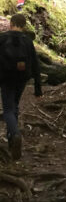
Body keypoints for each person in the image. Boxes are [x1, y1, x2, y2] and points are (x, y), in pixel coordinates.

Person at [0, 14, 42, 160]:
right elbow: (36, 64)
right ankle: (12, 140)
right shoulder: (28, 41)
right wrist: (38, 88)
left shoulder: (3, 38)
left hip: (6, 79)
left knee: (8, 109)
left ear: (11, 23)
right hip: (22, 79)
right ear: (23, 26)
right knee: (15, 105)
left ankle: (15, 134)